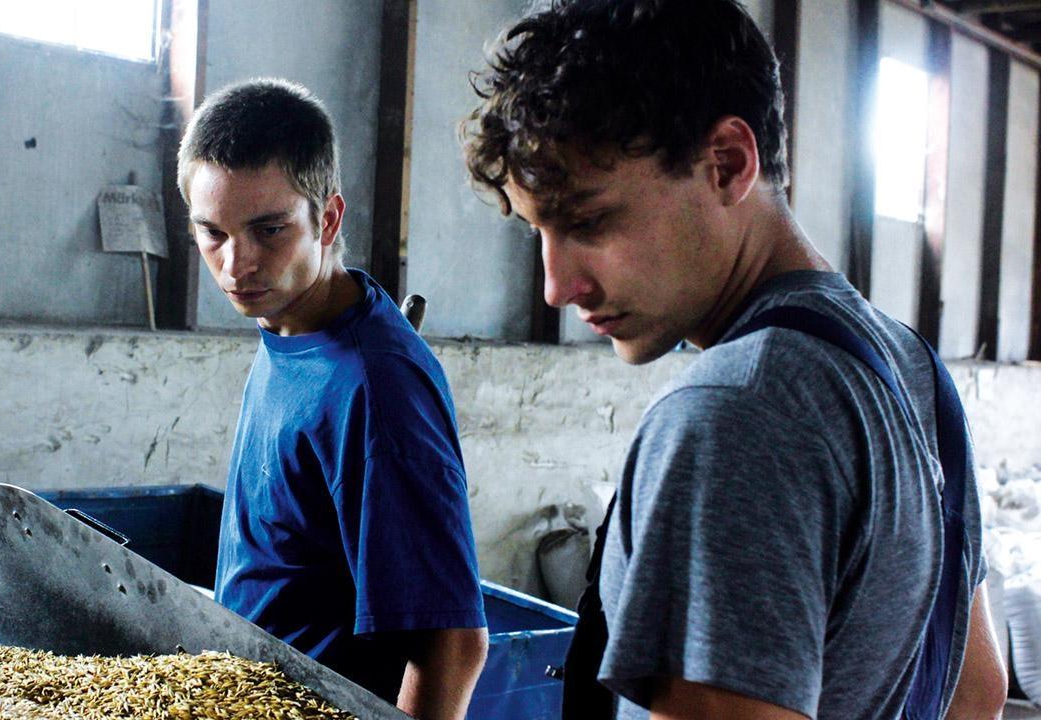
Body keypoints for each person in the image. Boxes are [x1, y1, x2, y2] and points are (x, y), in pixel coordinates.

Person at [461, 1, 1008, 718]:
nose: (558, 285)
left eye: (588, 221)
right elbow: (977, 692)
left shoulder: (734, 413)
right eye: (540, 232)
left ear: (726, 163)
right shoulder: (909, 365)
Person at [176, 78, 488, 720]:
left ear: (329, 218)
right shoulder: (289, 327)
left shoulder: (375, 388)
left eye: (269, 231)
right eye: (213, 233)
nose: (237, 264)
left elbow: (453, 644)